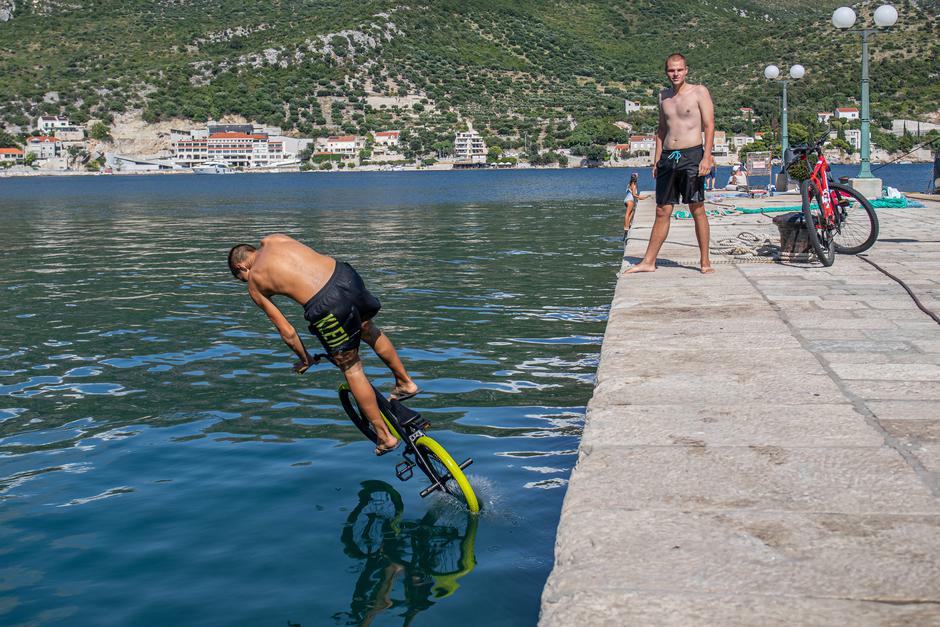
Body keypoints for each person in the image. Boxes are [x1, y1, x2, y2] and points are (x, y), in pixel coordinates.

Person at [228, 234, 419, 455]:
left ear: (240, 266)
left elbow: (287, 331)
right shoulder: (274, 239)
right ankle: (405, 382)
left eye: (241, 277)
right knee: (368, 328)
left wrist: (305, 358)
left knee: (351, 368)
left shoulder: (254, 282)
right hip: (346, 276)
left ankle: (385, 437)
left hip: (327, 305)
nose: (245, 280)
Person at [624, 52, 715, 275]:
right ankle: (648, 261)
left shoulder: (699, 92)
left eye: (679, 69)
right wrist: (657, 159)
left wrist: (707, 157)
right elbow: (661, 129)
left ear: (686, 70)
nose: (675, 74)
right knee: (662, 210)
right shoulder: (663, 96)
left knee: (697, 208)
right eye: (671, 70)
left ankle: (705, 261)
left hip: (692, 155)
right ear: (667, 72)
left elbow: (709, 125)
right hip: (668, 157)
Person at [622, 172, 648, 244]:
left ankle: (628, 226)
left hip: (626, 200)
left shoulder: (629, 184)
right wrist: (642, 197)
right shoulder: (634, 185)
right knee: (627, 214)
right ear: (636, 178)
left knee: (631, 212)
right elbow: (634, 194)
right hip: (630, 200)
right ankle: (626, 228)